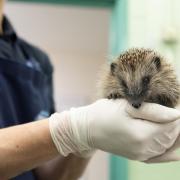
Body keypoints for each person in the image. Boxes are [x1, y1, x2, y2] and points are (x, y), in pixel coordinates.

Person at [1, 0, 180, 179]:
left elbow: (51, 175)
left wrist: (85, 144)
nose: (135, 96)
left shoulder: (38, 60)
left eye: (146, 81)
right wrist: (73, 130)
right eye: (125, 85)